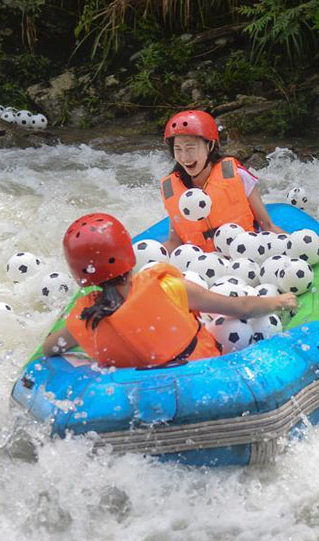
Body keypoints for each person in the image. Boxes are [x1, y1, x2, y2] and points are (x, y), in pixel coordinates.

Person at [42, 213, 297, 368]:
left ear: (80, 274)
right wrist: (279, 302)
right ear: (129, 254)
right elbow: (241, 308)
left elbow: (49, 349)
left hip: (136, 398)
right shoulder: (167, 287)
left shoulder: (86, 318)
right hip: (201, 376)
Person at [160, 109, 284, 253]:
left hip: (246, 254)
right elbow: (174, 242)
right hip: (202, 261)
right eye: (178, 149)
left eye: (190, 148)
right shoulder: (172, 188)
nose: (184, 157)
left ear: (210, 146)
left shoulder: (237, 175)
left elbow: (267, 226)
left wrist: (291, 243)